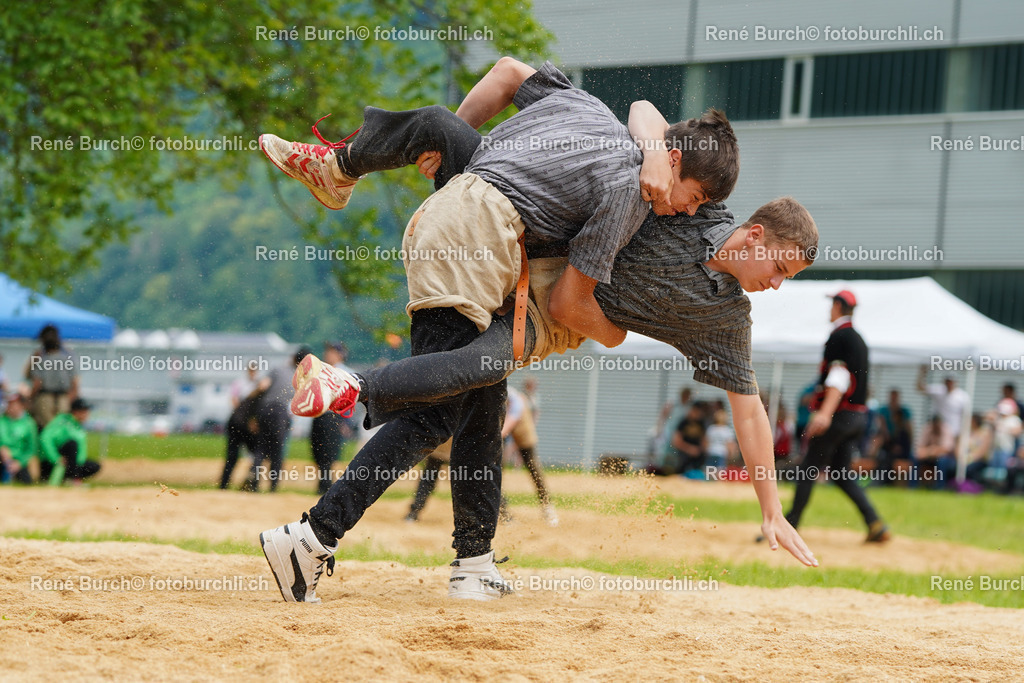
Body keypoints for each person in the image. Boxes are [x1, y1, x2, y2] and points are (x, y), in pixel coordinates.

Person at [257, 63, 818, 603]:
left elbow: (750, 411)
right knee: (438, 412)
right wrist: (651, 158)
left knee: (483, 401)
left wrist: (771, 509)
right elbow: (647, 116)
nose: (776, 285)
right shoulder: (683, 199)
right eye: (780, 268)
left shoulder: (725, 315)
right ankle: (317, 518)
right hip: (501, 253)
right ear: (755, 235)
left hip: (516, 265)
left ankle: (472, 564)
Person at [779, 290, 890, 543]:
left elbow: (839, 376)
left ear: (839, 306)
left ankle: (789, 527)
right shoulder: (859, 339)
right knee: (841, 474)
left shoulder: (839, 336)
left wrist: (824, 413)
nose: (829, 309)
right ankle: (875, 523)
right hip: (857, 418)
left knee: (807, 469)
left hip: (839, 416)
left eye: (832, 305)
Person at [243, 349, 308, 493]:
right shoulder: (300, 378)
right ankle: (273, 486)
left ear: (293, 358)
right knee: (277, 451)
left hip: (265, 410)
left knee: (261, 448)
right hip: (281, 414)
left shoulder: (278, 369)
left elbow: (262, 386)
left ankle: (253, 482)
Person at [503, 385, 557, 526]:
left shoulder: (514, 399)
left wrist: (500, 434)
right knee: (495, 469)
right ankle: (503, 513)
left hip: (519, 413)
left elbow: (512, 418)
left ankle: (547, 507)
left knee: (532, 464)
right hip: (498, 415)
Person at [309, 342, 358, 495]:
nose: (327, 354)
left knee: (329, 452)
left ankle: (325, 485)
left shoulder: (346, 373)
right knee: (317, 450)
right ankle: (324, 483)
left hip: (334, 417)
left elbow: (351, 398)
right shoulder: (320, 371)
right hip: (319, 416)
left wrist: (346, 421)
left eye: (331, 352)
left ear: (340, 355)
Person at [26, 324, 79, 430]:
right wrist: (70, 400)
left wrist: (29, 400)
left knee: (46, 429)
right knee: (60, 430)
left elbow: (36, 382)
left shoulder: (41, 357)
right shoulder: (68, 356)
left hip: (45, 398)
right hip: (63, 398)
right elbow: (75, 382)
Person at [38, 397, 100, 485]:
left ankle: (68, 477)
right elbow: (45, 438)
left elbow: (81, 453)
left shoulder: (79, 426)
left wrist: (77, 465)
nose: (87, 414)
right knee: (72, 444)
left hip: (68, 464)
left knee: (94, 466)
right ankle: (72, 478)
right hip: (51, 462)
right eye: (85, 411)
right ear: (76, 412)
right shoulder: (62, 421)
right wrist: (56, 458)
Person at [916, 368, 970, 442]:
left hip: (954, 432)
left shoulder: (963, 396)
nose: (949, 384)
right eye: (947, 381)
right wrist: (922, 373)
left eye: (951, 382)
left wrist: (963, 432)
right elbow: (920, 388)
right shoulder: (939, 390)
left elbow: (966, 416)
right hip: (939, 432)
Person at [0, 391, 38, 484]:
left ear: (22, 406)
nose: (10, 407)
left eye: (14, 404)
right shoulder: (2, 421)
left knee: (27, 481)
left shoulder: (29, 424)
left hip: (19, 460)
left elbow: (31, 449)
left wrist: (19, 463)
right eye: (9, 404)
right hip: (2, 458)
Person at [915, 414, 956, 488]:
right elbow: (920, 447)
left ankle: (940, 486)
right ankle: (913, 485)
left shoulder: (946, 429)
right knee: (915, 457)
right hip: (929, 456)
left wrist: (934, 450)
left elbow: (947, 449)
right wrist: (930, 451)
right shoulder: (928, 429)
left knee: (942, 461)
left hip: (945, 459)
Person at [671, 402, 707, 476]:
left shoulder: (701, 423)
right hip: (684, 453)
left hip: (697, 453)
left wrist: (701, 449)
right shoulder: (683, 423)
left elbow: (704, 440)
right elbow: (676, 441)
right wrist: (689, 449)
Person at [964, 413, 994, 485]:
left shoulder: (985, 433)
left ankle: (974, 485)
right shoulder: (968, 432)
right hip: (966, 459)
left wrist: (969, 458)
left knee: (970, 468)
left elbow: (982, 451)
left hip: (980, 460)